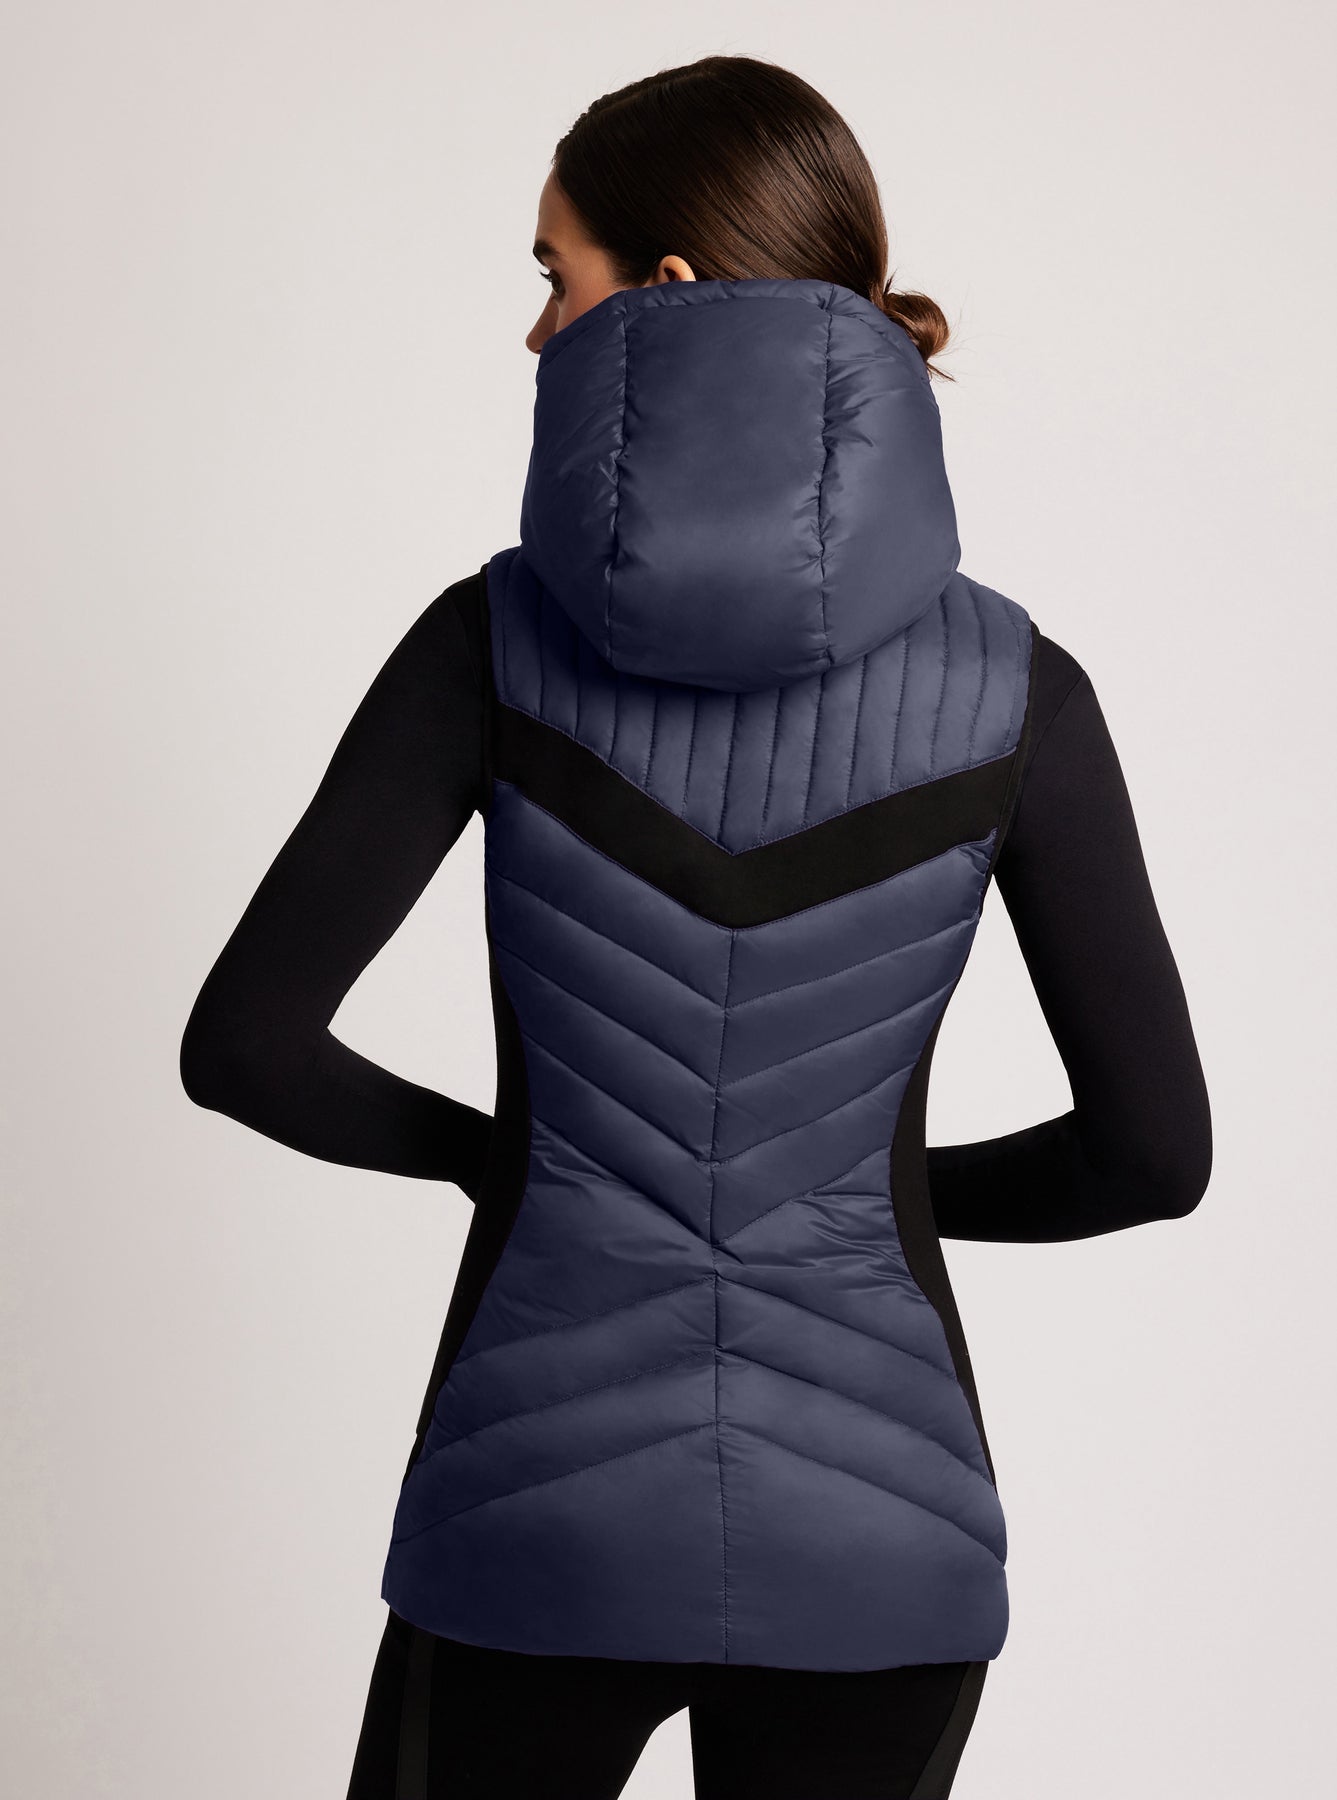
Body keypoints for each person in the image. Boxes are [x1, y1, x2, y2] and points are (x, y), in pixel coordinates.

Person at [179, 54, 1212, 1800]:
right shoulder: (1021, 687)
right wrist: (852, 1197)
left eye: (551, 275)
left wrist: (517, 1164)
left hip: (532, 1527)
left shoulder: (482, 644)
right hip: (882, 1543)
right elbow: (1152, 1156)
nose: (532, 328)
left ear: (664, 290)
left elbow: (249, 1049)